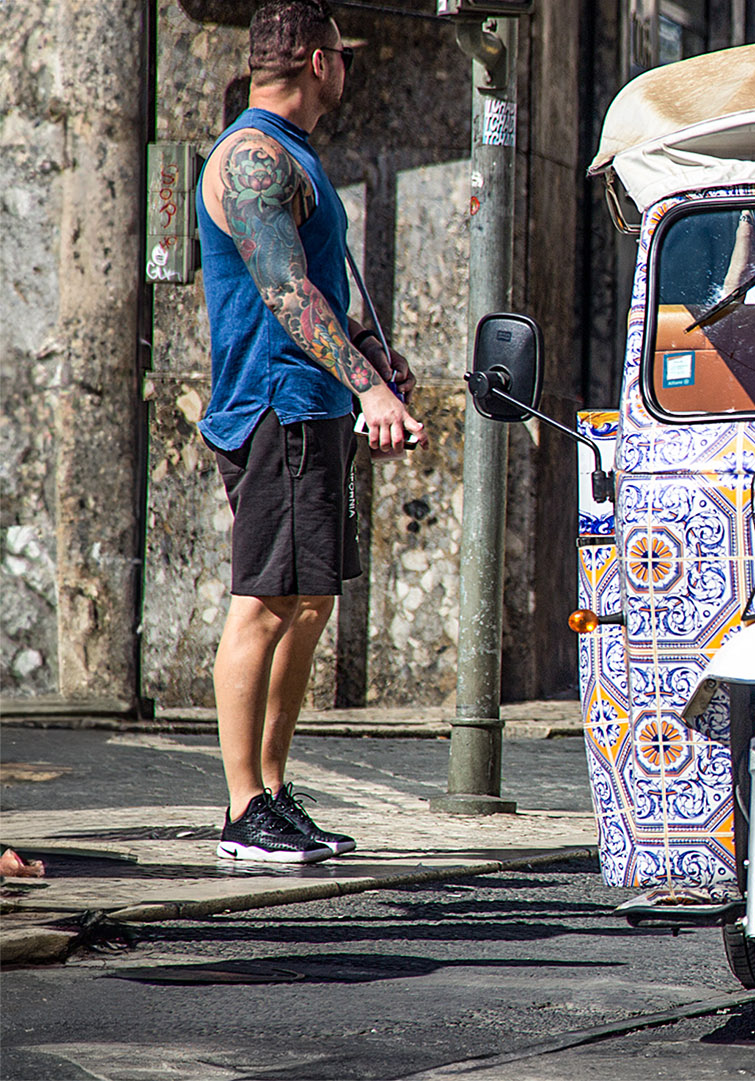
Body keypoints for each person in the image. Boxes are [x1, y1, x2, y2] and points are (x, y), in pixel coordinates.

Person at [195, 0, 422, 863]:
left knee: (311, 599)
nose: (347, 71)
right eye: (344, 57)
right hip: (276, 406)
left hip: (314, 405)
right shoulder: (252, 155)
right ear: (321, 63)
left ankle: (275, 790)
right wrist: (369, 389)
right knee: (264, 601)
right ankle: (241, 805)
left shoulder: (293, 159)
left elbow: (316, 287)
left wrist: (373, 361)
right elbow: (287, 295)